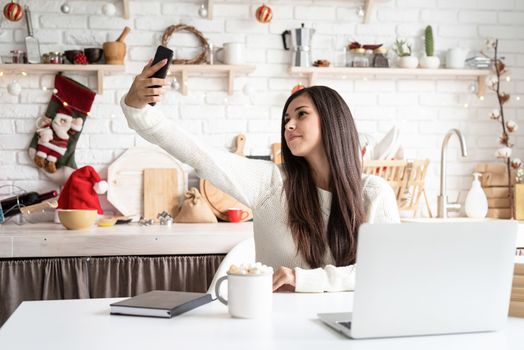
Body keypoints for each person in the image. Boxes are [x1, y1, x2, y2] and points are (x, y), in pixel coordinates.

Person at [121, 59, 400, 293]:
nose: (289, 125)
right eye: (286, 119)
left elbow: (388, 270)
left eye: (301, 114)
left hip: (347, 326)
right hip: (276, 326)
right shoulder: (271, 183)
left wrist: (302, 279)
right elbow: (200, 155)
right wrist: (138, 111)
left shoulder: (373, 193)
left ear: (332, 121)